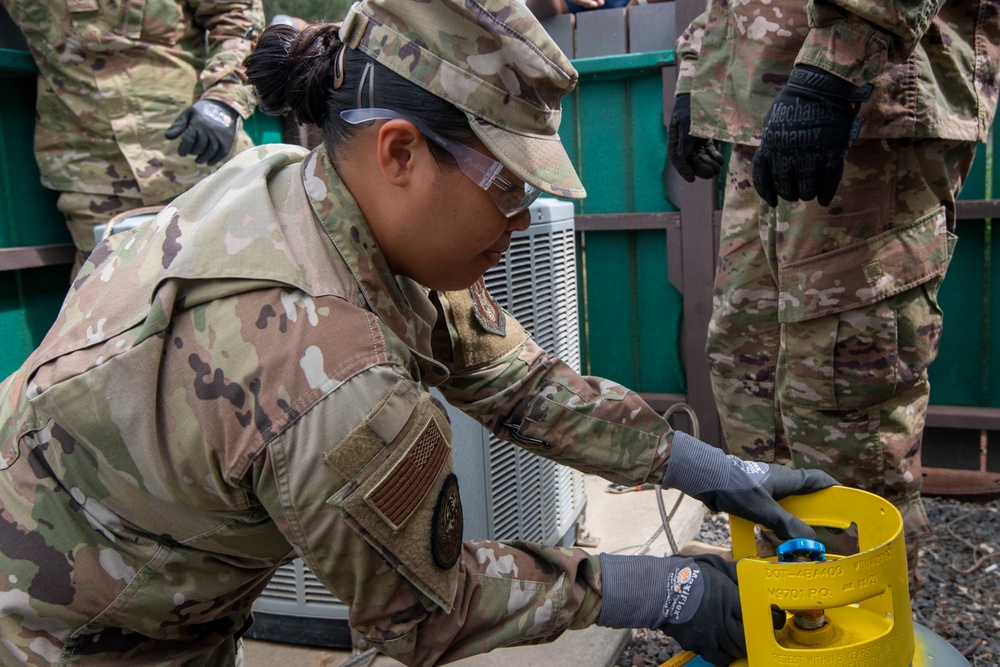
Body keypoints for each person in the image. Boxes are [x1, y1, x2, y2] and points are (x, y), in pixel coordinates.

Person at [0, 1, 837, 665]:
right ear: (400, 151)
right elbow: (426, 613)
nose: (522, 219)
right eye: (509, 189)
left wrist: (705, 468)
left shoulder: (299, 187)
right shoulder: (330, 375)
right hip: (72, 633)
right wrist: (659, 588)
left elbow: (516, 380)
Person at [667, 0, 1000, 586]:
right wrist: (697, 77)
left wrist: (837, 66)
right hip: (756, 110)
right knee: (750, 374)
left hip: (866, 107)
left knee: (844, 398)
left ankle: (861, 622)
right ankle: (791, 607)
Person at [1, 0, 264, 278]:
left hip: (201, 155)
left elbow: (236, 15)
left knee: (243, 284)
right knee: (109, 306)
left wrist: (224, 98)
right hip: (91, 175)